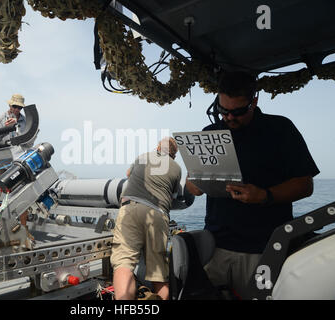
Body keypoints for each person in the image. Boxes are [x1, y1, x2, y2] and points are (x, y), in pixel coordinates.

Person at [185, 71, 320, 298]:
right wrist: (195, 182)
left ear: (254, 101)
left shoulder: (280, 129)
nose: (229, 118)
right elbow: (192, 188)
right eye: (223, 110)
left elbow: (305, 185)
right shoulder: (210, 134)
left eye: (237, 111)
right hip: (214, 247)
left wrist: (265, 195)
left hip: (263, 249)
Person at [111, 137, 182, 300]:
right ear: (174, 154)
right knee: (159, 275)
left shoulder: (143, 157)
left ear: (158, 147)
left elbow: (128, 174)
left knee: (124, 263)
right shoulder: (177, 168)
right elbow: (174, 196)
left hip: (130, 208)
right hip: (158, 214)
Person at [0, 94, 32, 229]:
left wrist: (17, 130)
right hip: (1, 161)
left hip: (19, 161)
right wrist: (5, 129)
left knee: (22, 193)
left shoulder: (26, 121)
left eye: (19, 107)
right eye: (15, 106)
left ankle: (24, 228)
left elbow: (29, 142)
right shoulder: (0, 118)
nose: (17, 109)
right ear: (10, 105)